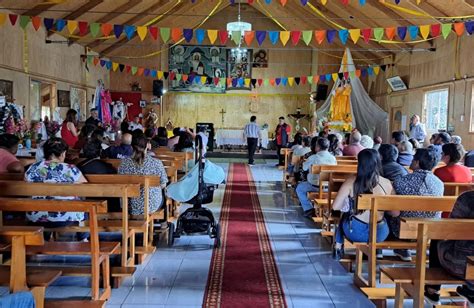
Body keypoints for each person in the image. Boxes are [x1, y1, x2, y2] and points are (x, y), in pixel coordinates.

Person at [332, 149, 394, 260]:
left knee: (345, 214)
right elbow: (394, 213)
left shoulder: (352, 181)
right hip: (380, 233)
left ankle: (338, 245)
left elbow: (335, 206)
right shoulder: (387, 183)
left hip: (355, 232)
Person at [25, 137, 88, 241]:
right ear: (63, 153)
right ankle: (83, 239)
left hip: (36, 216)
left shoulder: (33, 167)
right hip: (67, 216)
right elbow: (84, 187)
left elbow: (26, 187)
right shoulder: (70, 169)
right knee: (85, 206)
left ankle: (43, 238)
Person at [390, 148, 444, 261]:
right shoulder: (439, 183)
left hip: (404, 229)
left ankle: (401, 249)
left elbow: (393, 208)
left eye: (413, 158)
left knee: (387, 211)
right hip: (431, 229)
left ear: (417, 162)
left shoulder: (401, 181)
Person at [423, 191, 474, 306]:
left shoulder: (468, 198)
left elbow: (450, 229)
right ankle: (470, 290)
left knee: (437, 235)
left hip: (462, 266)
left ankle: (432, 289)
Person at [118, 135, 168, 216]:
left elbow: (121, 183)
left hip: (129, 206)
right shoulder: (156, 163)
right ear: (147, 146)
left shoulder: (123, 163)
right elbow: (163, 185)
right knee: (164, 194)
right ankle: (163, 224)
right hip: (151, 206)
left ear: (131, 146)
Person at [296, 138, 337, 218]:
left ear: (317, 147)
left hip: (314, 186)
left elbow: (304, 168)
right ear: (327, 147)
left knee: (299, 188)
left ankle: (308, 209)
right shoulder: (333, 158)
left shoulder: (313, 158)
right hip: (328, 187)